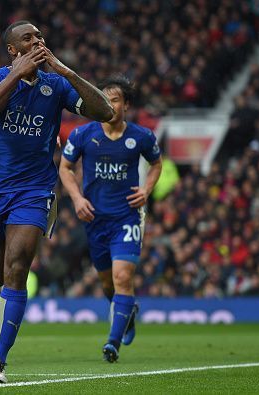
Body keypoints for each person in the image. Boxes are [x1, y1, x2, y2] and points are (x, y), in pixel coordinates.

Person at [0, 20, 114, 383]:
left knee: (16, 269)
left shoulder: (56, 86)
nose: (37, 41)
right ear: (12, 50)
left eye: (39, 37)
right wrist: (16, 75)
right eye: (27, 38)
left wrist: (64, 70)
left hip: (34, 189)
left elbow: (105, 112)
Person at [59, 74, 162, 363]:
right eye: (104, 99)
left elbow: (156, 164)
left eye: (114, 100)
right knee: (108, 284)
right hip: (95, 220)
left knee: (122, 277)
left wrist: (146, 190)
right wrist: (78, 198)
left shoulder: (141, 136)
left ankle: (112, 343)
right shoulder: (83, 135)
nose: (109, 105)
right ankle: (127, 314)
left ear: (126, 105)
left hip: (127, 217)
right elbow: (65, 168)